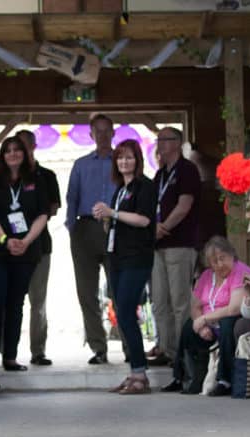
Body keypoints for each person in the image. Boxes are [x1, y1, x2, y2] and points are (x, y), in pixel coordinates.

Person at [0, 136, 48, 373]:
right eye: (7, 151)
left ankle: (10, 356)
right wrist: (5, 240)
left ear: (25, 153)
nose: (12, 154)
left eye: (17, 150)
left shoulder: (37, 180)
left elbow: (43, 215)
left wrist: (26, 242)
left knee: (15, 303)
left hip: (25, 251)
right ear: (2, 155)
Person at [92, 139, 157, 394]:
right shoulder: (120, 189)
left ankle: (140, 374)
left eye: (129, 157)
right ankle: (134, 373)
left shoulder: (145, 186)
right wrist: (106, 218)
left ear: (137, 160)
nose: (124, 162)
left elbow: (143, 220)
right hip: (117, 257)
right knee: (121, 312)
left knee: (128, 311)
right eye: (120, 158)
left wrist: (113, 213)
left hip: (136, 258)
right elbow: (118, 220)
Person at [161, 236, 250, 396]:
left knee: (227, 324)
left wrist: (205, 319)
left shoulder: (240, 272)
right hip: (210, 322)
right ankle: (185, 377)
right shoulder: (206, 276)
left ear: (232, 255)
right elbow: (194, 306)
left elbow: (234, 308)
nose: (218, 264)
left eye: (222, 258)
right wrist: (201, 324)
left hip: (232, 319)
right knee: (189, 326)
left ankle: (224, 380)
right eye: (213, 261)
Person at [148, 126, 201, 367]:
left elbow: (184, 205)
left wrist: (163, 227)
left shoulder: (187, 170)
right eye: (158, 140)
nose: (159, 144)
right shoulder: (160, 174)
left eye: (164, 139)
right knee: (160, 301)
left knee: (180, 301)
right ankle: (167, 349)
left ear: (177, 143)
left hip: (179, 242)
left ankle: (182, 351)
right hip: (157, 245)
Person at [65, 114, 116, 364]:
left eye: (108, 131)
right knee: (87, 292)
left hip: (117, 229)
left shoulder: (124, 160)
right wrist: (72, 227)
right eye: (99, 131)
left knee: (119, 290)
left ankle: (131, 347)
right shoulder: (81, 164)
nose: (104, 135)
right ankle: (99, 348)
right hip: (85, 228)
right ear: (91, 135)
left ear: (114, 133)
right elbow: (71, 197)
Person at [15, 129, 61, 366]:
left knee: (38, 301)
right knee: (11, 299)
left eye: (24, 145)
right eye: (15, 146)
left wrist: (33, 215)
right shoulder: (7, 175)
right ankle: (6, 352)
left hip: (40, 244)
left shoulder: (47, 175)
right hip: (11, 247)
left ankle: (38, 351)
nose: (20, 151)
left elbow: (53, 208)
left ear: (33, 147)